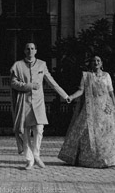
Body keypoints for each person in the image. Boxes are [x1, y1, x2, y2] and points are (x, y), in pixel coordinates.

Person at [10, 42, 70, 170]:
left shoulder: (42, 64)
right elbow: (13, 83)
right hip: (24, 103)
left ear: (36, 51)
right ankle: (29, 159)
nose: (30, 51)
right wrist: (29, 86)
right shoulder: (18, 65)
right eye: (27, 49)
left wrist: (65, 96)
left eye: (32, 49)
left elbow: (52, 82)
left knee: (39, 129)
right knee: (25, 132)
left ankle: (36, 155)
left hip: (38, 103)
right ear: (24, 51)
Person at [58, 55, 115, 168]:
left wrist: (114, 106)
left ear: (101, 63)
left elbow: (111, 93)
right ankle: (89, 159)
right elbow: (81, 90)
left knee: (107, 134)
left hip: (105, 109)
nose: (96, 62)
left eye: (98, 60)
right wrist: (71, 97)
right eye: (93, 61)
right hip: (91, 109)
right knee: (87, 133)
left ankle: (108, 160)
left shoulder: (106, 76)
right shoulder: (86, 76)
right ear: (91, 64)